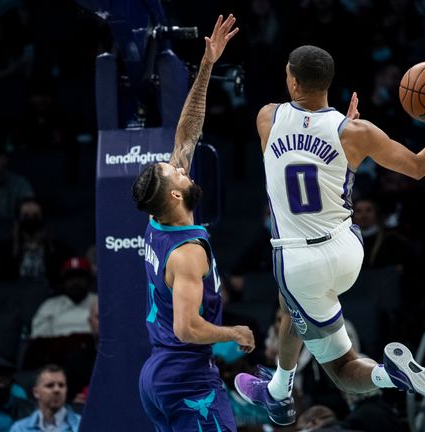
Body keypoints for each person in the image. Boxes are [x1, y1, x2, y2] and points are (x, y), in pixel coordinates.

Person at [234, 44, 425, 425]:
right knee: (291, 306)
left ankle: (381, 376)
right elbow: (420, 166)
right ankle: (278, 389)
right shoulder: (355, 132)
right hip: (348, 251)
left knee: (340, 367)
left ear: (291, 80)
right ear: (329, 82)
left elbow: (289, 154)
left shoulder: (267, 117)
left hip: (299, 259)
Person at [130, 14, 254, 432]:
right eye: (177, 173)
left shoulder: (159, 213)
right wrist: (233, 332)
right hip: (185, 377)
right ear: (176, 196)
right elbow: (186, 328)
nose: (184, 168)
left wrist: (206, 66)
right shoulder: (185, 254)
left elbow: (187, 135)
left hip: (158, 374)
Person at [30, 257, 97, 338]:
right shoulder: (49, 306)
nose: (75, 281)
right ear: (64, 281)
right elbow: (38, 340)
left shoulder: (100, 302)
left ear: (89, 280)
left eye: (80, 276)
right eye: (71, 277)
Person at [10, 365, 81, 432]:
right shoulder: (19, 429)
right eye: (50, 385)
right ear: (36, 392)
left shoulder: (82, 425)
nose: (57, 390)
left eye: (61, 385)